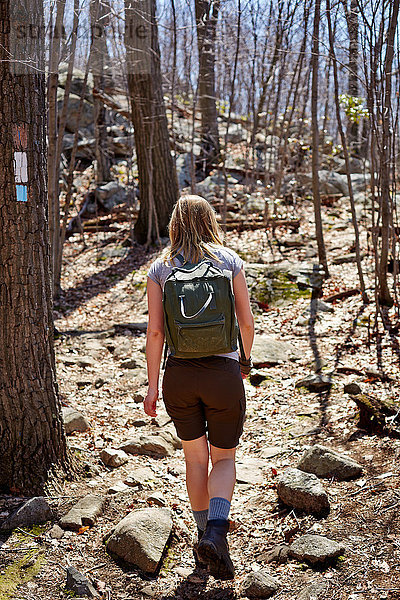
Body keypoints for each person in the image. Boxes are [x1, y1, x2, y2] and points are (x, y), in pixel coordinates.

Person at [144, 195, 254, 580]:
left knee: (194, 459)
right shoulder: (229, 261)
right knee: (224, 460)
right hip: (223, 375)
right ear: (210, 221)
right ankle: (216, 534)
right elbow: (246, 322)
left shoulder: (160, 268)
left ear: (174, 225)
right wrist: (244, 362)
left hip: (179, 376)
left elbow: (156, 331)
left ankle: (202, 536)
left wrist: (152, 387)